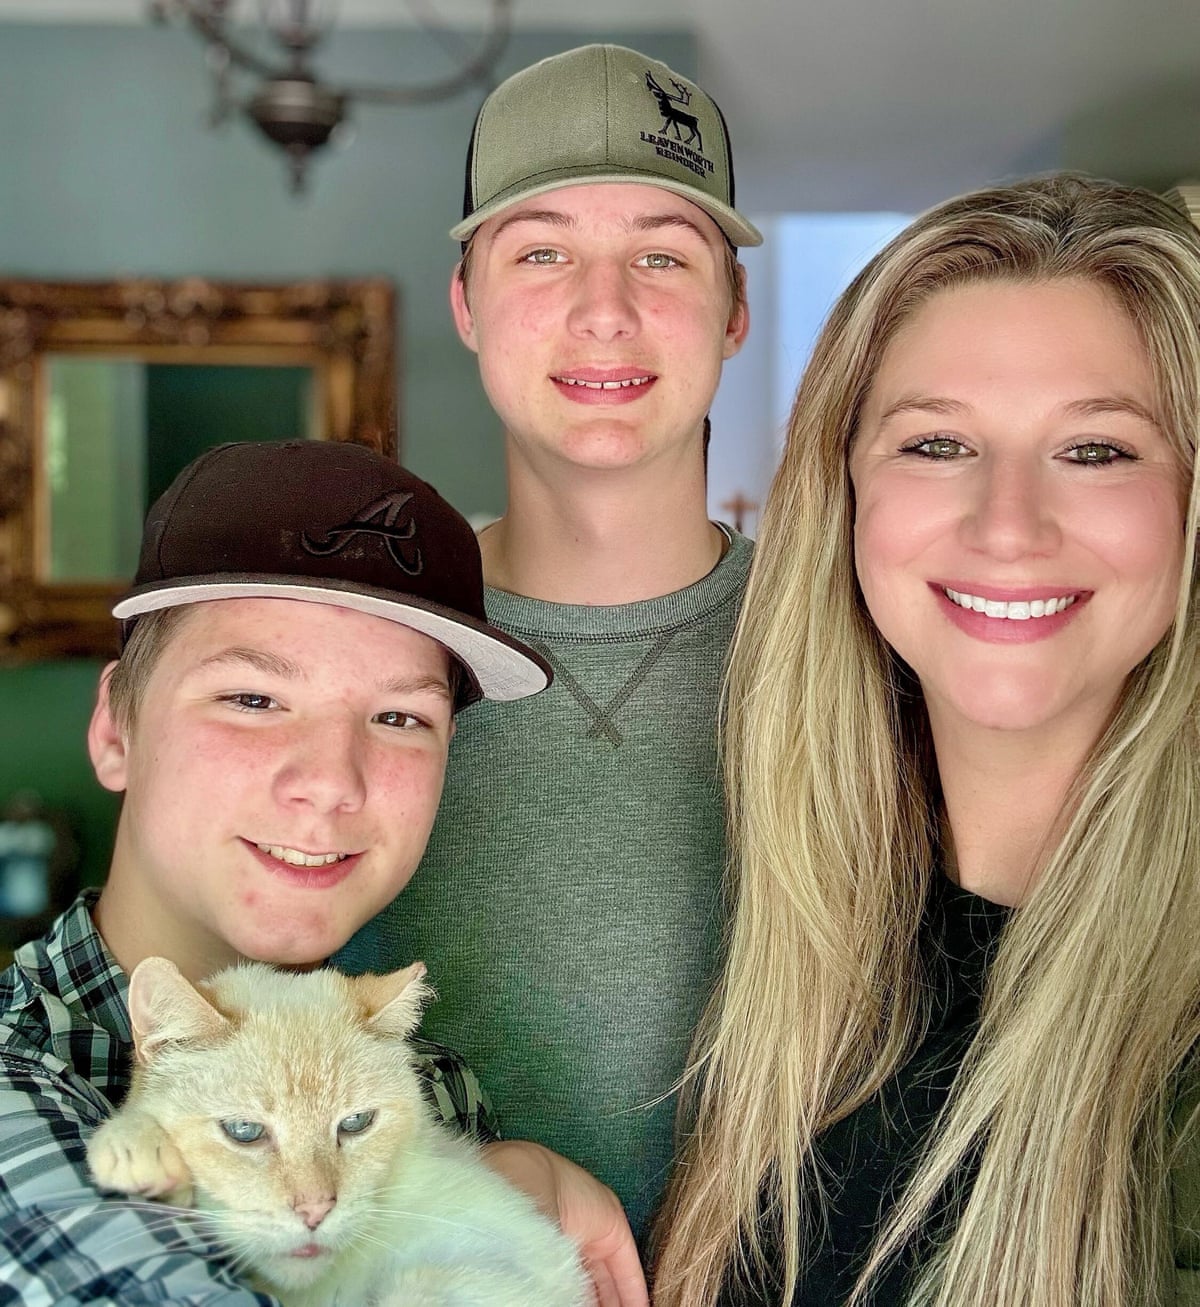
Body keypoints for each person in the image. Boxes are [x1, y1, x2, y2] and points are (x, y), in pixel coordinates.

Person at [652, 174, 1200, 1306]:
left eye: (1097, 449)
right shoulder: (798, 926)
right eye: (939, 443)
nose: (1008, 524)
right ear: (844, 488)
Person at [0, 439, 646, 1306]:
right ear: (117, 728)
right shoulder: (18, 1099)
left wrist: (510, 1177)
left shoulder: (432, 1084)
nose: (333, 781)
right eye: (254, 698)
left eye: (399, 716)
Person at [339, 43, 760, 1241]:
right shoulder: (361, 643)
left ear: (735, 311)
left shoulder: (856, 643)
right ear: (467, 304)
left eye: (662, 255)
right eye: (541, 251)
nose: (604, 309)